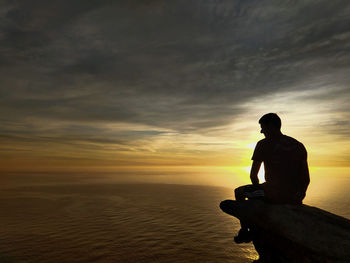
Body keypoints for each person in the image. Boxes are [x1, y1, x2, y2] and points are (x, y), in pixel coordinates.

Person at [233, 113, 310, 243]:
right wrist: (299, 196)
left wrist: (258, 193)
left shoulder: (263, 144)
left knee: (238, 192)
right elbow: (306, 178)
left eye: (263, 127)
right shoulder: (298, 145)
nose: (261, 131)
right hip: (294, 196)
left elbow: (253, 175)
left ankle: (245, 230)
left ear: (271, 126)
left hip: (273, 193)